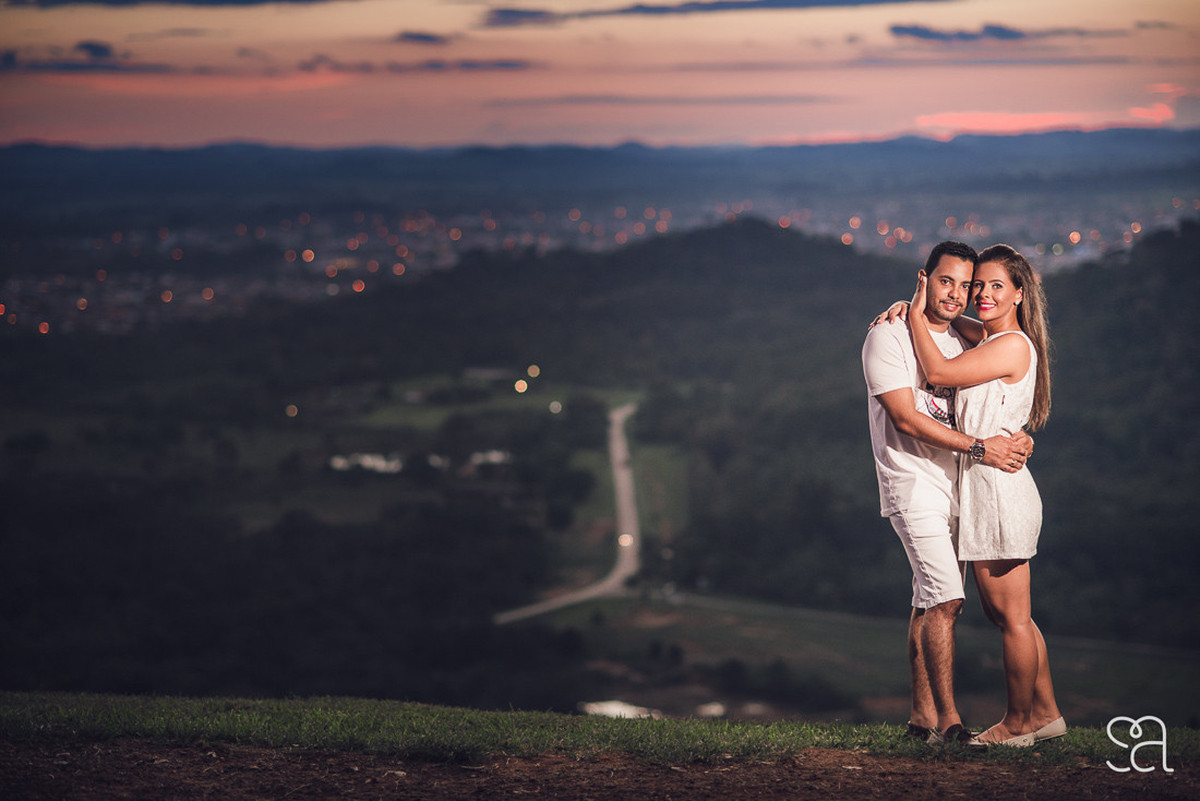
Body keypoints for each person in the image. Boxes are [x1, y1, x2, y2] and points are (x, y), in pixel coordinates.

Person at [862, 241, 1032, 746]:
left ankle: (920, 720)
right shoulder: (887, 336)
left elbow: (1002, 387)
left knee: (926, 597)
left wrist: (1019, 435)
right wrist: (983, 448)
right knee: (948, 599)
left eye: (969, 285)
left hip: (958, 484)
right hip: (910, 480)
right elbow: (905, 416)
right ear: (924, 279)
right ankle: (951, 723)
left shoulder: (965, 337)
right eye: (947, 281)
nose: (959, 294)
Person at [905, 243, 1064, 747]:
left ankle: (1021, 723)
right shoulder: (992, 339)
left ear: (1019, 293)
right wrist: (918, 309)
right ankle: (1046, 712)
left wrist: (912, 313)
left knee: (1011, 616)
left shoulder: (1012, 345)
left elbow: (938, 372)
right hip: (984, 485)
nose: (982, 295)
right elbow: (955, 328)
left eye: (997, 286)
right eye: (979, 286)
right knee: (1009, 614)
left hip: (998, 489)